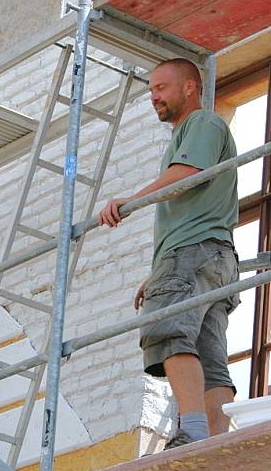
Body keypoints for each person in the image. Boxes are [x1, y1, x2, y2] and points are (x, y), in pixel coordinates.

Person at [98, 58, 239, 448]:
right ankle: (213, 444)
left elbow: (187, 174)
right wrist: (158, 273)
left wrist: (131, 201)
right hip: (210, 258)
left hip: (191, 252)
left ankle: (193, 432)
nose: (153, 96)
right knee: (209, 356)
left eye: (161, 87)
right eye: (150, 90)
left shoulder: (202, 124)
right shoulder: (196, 130)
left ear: (190, 87)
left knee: (170, 333)